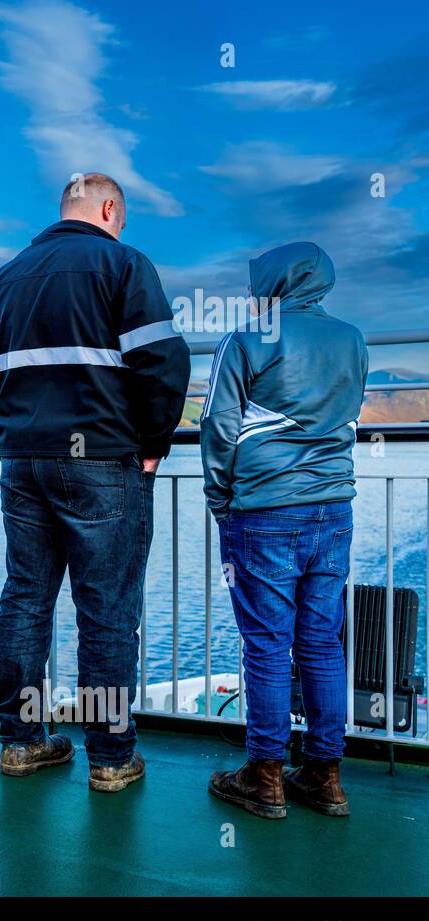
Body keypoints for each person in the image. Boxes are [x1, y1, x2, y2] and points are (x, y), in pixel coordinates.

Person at [0, 173, 190, 792]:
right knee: (108, 609)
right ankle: (112, 758)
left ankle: (21, 743)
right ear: (110, 209)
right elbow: (164, 364)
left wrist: (10, 435)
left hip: (24, 462)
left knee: (27, 597)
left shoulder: (2, 279)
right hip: (105, 463)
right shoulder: (123, 265)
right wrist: (153, 444)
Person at [203, 242, 368, 819]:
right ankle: (325, 776)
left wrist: (220, 497)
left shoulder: (246, 340)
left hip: (265, 512)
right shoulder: (353, 339)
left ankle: (265, 776)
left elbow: (218, 426)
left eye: (258, 283)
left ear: (276, 283)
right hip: (334, 511)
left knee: (268, 646)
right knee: (321, 642)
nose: (252, 293)